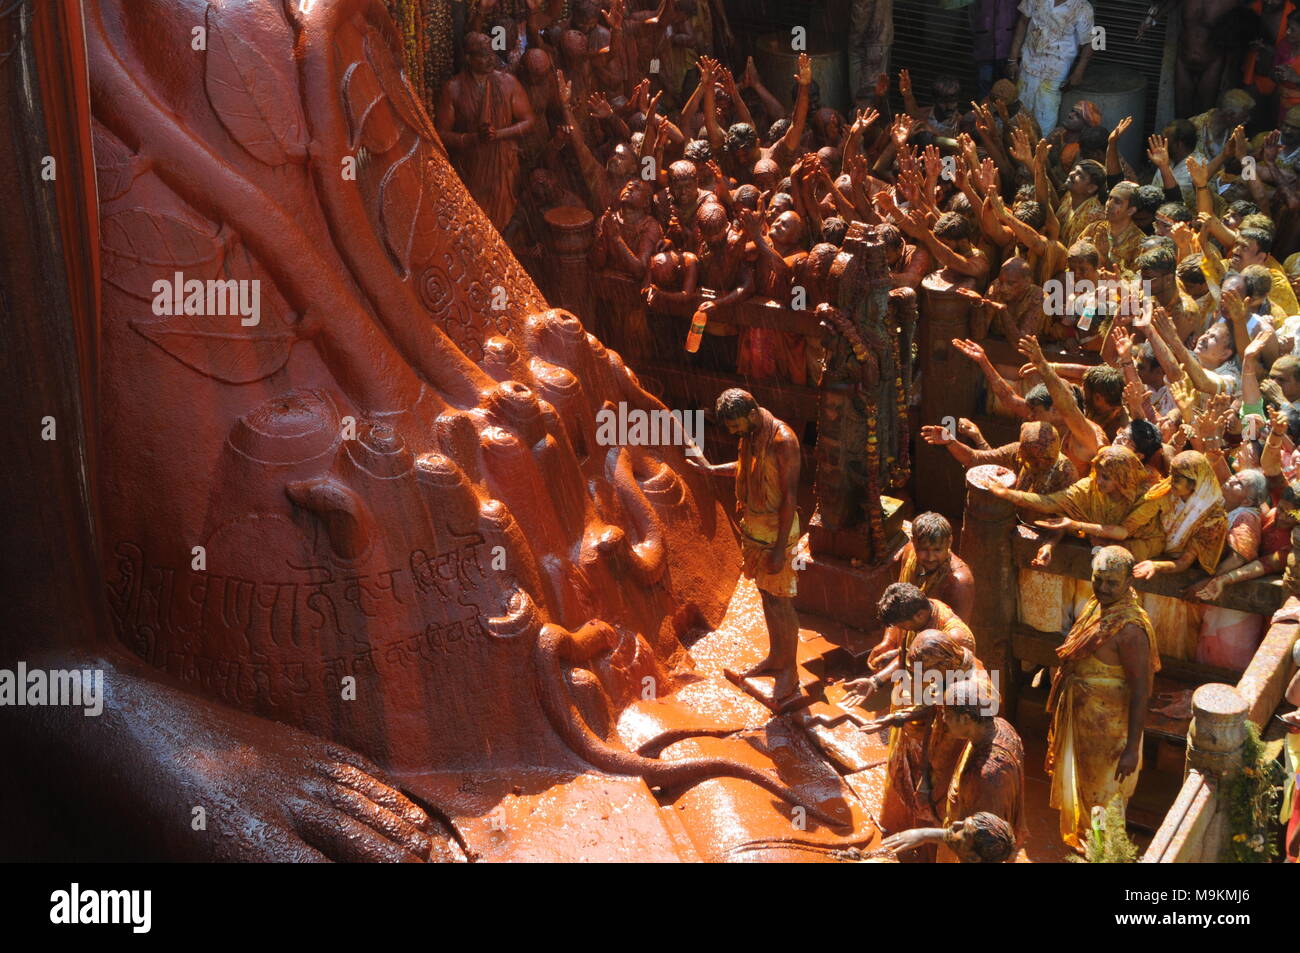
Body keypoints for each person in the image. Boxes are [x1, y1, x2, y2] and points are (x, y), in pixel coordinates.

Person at [691, 390, 803, 706]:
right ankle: (775, 657)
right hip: (755, 531)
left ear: (753, 414)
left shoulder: (783, 441)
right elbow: (744, 468)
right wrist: (712, 470)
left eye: (737, 426)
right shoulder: (751, 435)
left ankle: (790, 672)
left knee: (782, 602)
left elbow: (790, 497)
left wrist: (780, 550)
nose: (734, 433)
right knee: (767, 597)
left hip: (776, 535)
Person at [1046, 546, 1158, 851]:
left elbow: (1140, 692)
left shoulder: (1131, 629)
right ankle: (1085, 850)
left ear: (1128, 584)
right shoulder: (1096, 607)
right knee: (1084, 794)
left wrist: (1132, 749)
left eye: (1112, 583)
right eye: (1098, 579)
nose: (1104, 588)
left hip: (1111, 735)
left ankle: (1105, 855)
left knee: (1104, 803)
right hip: (1084, 726)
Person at [879, 678, 1025, 863]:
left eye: (947, 714)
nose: (944, 720)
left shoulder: (986, 777)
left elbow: (981, 840)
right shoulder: (1001, 726)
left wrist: (926, 834)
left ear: (966, 719)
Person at [436, 32, 536, 231]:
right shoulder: (453, 88)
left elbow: (529, 120)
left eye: (491, 53)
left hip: (502, 164)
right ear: (468, 58)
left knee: (505, 220)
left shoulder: (508, 82)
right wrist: (471, 139)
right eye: (483, 54)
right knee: (475, 222)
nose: (490, 58)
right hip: (472, 165)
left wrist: (499, 134)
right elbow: (441, 134)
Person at [1007, 0, 1096, 135]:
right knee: (1017, 120)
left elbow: (1091, 43)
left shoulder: (1083, 7)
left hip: (1054, 75)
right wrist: (1012, 59)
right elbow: (1022, 22)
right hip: (1026, 68)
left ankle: (1040, 154)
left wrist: (1079, 71)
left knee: (1044, 124)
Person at [891, 512, 977, 621]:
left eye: (937, 550)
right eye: (923, 549)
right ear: (913, 541)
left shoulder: (959, 583)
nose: (930, 558)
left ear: (949, 542)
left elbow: (958, 633)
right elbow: (899, 601)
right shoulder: (909, 552)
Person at [878, 809, 1018, 862]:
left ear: (972, 858)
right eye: (964, 821)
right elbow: (956, 839)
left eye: (962, 830)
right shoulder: (980, 855)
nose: (956, 824)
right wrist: (923, 834)